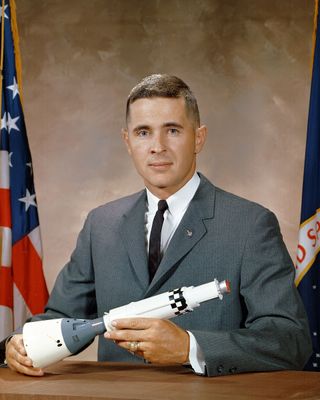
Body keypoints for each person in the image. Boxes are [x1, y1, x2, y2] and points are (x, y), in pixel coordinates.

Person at [1, 74, 312, 377]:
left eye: (173, 130)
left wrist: (191, 346)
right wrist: (22, 344)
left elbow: (289, 340)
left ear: (198, 138)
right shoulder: (101, 224)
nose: (157, 146)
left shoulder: (250, 224)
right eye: (143, 132)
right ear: (128, 141)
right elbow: (62, 319)